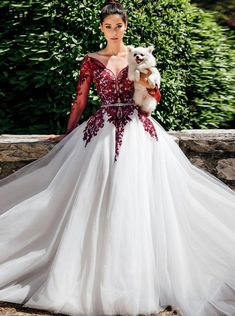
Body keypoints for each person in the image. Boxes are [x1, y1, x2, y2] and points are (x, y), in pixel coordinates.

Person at [0, 1, 235, 316]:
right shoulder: (91, 60)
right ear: (102, 28)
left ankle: (140, 276)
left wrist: (148, 86)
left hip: (140, 132)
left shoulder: (139, 56)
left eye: (118, 26)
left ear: (126, 26)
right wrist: (67, 133)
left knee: (142, 199)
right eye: (108, 26)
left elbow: (153, 96)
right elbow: (80, 100)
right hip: (100, 133)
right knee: (93, 197)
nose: (114, 31)